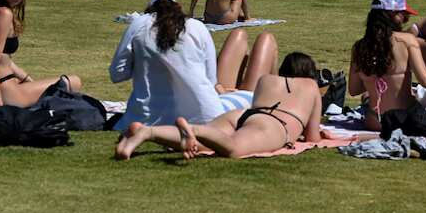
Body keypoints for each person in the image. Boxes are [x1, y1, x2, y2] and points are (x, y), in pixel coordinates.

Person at [110, 0, 278, 133]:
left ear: (149, 11)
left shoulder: (139, 24)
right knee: (265, 40)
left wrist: (145, 61)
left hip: (146, 118)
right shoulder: (196, 27)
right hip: (206, 118)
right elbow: (211, 81)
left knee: (240, 35)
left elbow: (117, 74)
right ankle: (280, 98)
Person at [115, 52, 324, 160]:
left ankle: (147, 132)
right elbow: (313, 136)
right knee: (233, 148)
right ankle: (192, 128)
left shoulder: (267, 79)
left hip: (242, 115)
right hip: (274, 124)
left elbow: (258, 106)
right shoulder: (311, 86)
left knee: (206, 143)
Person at [348, 0, 426, 132]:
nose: (406, 20)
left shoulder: (359, 47)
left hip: (374, 121)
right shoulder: (406, 41)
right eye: (403, 15)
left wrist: (373, 78)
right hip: (404, 120)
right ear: (392, 15)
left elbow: (354, 90)